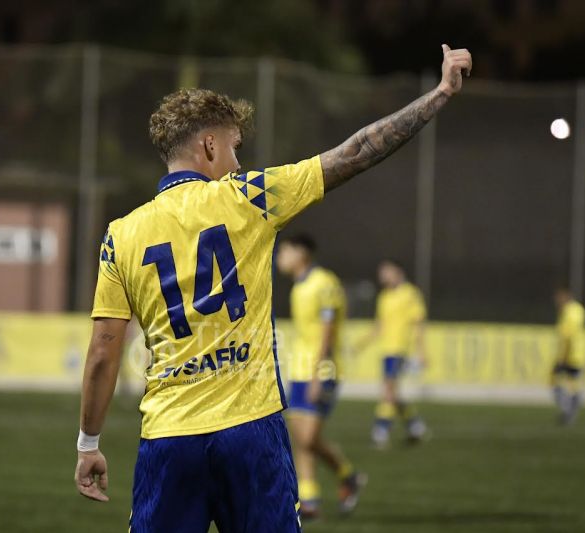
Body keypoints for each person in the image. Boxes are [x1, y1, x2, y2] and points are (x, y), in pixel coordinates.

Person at [74, 44, 472, 531]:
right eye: (234, 147)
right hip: (251, 431)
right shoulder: (250, 198)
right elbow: (358, 151)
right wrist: (439, 94)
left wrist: (89, 444)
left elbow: (102, 351)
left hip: (169, 438)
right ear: (210, 147)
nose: (238, 162)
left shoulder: (121, 235)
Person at [276, 234, 363, 520]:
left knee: (310, 437)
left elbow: (328, 330)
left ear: (301, 253)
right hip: (299, 369)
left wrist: (317, 374)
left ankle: (347, 475)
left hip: (321, 369)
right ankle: (310, 499)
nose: (280, 257)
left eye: (285, 251)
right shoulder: (298, 287)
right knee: (301, 438)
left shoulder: (322, 282)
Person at [361, 260, 428, 448]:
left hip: (400, 350)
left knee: (388, 389)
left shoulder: (410, 294)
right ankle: (414, 425)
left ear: (398, 272)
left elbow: (418, 323)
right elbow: (379, 326)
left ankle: (381, 429)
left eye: (386, 272)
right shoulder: (383, 297)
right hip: (387, 350)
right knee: (392, 392)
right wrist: (362, 343)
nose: (383, 276)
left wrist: (421, 351)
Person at [552, 285, 585, 425]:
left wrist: (561, 359)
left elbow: (567, 336)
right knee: (573, 385)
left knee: (557, 384)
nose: (556, 300)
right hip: (579, 355)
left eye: (558, 297)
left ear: (565, 296)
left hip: (570, 356)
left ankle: (569, 412)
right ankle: (571, 412)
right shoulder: (579, 309)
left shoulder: (568, 312)